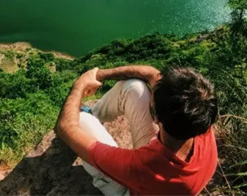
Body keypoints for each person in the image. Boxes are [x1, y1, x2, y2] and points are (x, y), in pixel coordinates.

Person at [55, 66, 218, 195]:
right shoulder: (199, 116)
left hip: (132, 189)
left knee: (82, 121)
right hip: (160, 180)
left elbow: (65, 128)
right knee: (134, 87)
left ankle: (89, 117)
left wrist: (80, 84)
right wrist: (97, 75)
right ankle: (96, 114)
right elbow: (152, 74)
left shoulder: (140, 166)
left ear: (156, 118)